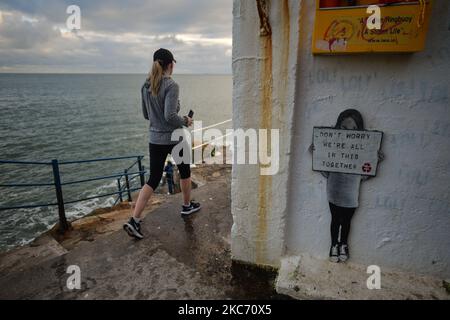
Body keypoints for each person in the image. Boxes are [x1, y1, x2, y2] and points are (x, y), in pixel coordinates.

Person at [124, 48, 201, 240]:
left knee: (153, 178)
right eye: (173, 63)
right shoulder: (171, 85)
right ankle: (186, 206)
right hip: (174, 137)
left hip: (155, 139)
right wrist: (185, 121)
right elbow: (170, 115)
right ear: (170, 65)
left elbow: (146, 115)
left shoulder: (145, 85)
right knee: (185, 172)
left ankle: (135, 220)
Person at [310, 109, 384, 263]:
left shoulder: (360, 156)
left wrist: (375, 160)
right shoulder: (333, 151)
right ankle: (333, 245)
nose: (349, 134)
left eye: (354, 130)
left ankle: (343, 244)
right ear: (338, 128)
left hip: (351, 195)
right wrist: (317, 154)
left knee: (346, 221)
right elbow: (325, 172)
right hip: (334, 192)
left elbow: (365, 175)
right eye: (344, 129)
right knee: (335, 220)